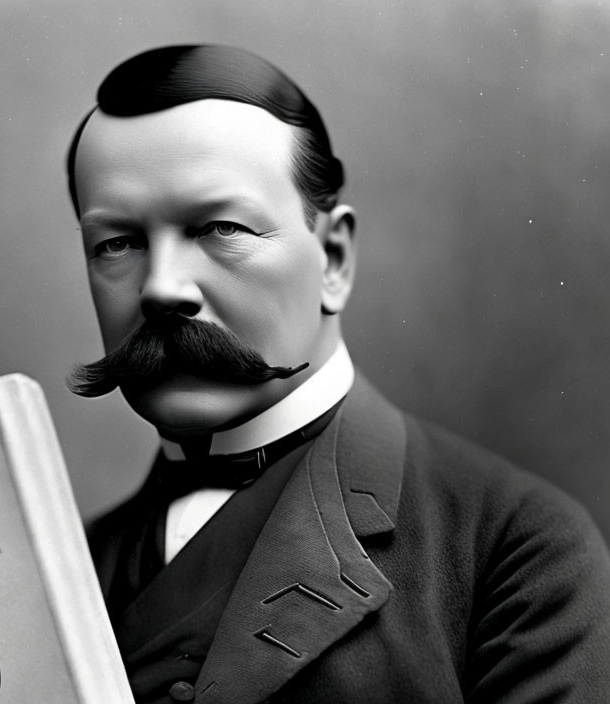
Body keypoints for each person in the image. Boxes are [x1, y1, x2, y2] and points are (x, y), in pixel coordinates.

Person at [65, 45, 610, 703]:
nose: (161, 288)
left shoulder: (514, 546)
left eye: (219, 228)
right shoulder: (65, 562)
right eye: (117, 243)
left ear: (333, 258)